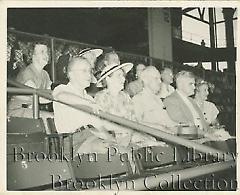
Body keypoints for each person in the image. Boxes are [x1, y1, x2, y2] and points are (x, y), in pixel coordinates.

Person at [53, 57, 117, 155]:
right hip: (72, 142)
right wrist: (88, 104)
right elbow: (62, 97)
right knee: (109, 151)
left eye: (90, 71)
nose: (89, 75)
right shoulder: (62, 89)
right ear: (71, 74)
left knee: (123, 150)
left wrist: (113, 140)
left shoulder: (89, 99)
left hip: (91, 136)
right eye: (84, 71)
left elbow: (99, 126)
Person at [95, 62, 166, 148]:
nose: (123, 79)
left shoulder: (125, 96)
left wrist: (144, 137)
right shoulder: (101, 97)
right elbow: (102, 125)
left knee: (154, 142)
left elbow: (134, 121)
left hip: (130, 136)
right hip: (113, 139)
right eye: (119, 76)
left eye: (123, 76)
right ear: (108, 79)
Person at [8, 43, 53, 126]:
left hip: (32, 109)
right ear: (32, 55)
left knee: (54, 117)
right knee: (50, 118)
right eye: (42, 52)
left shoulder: (45, 74)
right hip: (17, 111)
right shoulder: (27, 72)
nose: (46, 55)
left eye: (47, 52)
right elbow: (40, 98)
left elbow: (50, 94)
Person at [132, 66, 177, 134]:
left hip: (168, 135)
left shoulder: (157, 99)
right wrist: (159, 128)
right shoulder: (138, 99)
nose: (159, 82)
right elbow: (137, 124)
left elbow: (167, 121)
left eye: (160, 79)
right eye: (156, 78)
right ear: (146, 80)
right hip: (153, 137)